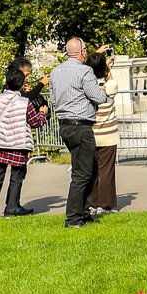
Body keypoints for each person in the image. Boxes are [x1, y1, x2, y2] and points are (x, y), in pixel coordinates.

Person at [48, 38, 104, 228]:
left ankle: (84, 212)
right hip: (81, 126)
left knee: (91, 168)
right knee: (81, 174)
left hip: (65, 125)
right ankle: (73, 218)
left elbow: (54, 100)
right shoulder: (84, 71)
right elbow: (97, 96)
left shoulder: (56, 72)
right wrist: (105, 92)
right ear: (83, 52)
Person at [0, 65, 49, 218]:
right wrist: (42, 114)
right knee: (16, 177)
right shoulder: (24, 102)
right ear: (20, 84)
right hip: (19, 144)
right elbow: (35, 122)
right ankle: (10, 209)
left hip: (0, 143)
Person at [88, 50, 119, 215]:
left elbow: (89, 75)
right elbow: (111, 81)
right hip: (108, 134)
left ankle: (93, 203)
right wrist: (106, 67)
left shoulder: (88, 89)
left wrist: (96, 60)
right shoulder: (109, 87)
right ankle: (105, 205)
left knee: (93, 171)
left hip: (92, 134)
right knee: (106, 171)